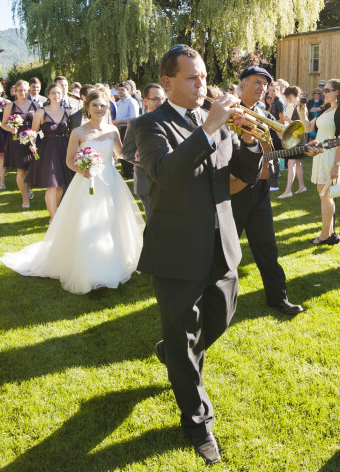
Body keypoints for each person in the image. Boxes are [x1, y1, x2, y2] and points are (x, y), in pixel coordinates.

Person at [134, 44, 263, 465]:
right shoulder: (149, 125)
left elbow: (239, 174)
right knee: (185, 338)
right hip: (175, 249)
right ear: (168, 82)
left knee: (220, 317)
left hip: (219, 243)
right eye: (193, 78)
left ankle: (174, 353)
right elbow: (168, 174)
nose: (202, 84)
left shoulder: (218, 122)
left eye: (204, 76)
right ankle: (198, 424)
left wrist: (247, 139)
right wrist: (209, 127)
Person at [1, 88, 145, 292]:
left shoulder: (112, 130)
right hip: (85, 182)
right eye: (95, 105)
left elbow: (120, 154)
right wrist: (82, 169)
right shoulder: (78, 132)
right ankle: (91, 270)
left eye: (103, 105)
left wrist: (138, 154)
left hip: (110, 181)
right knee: (88, 222)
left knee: (111, 221)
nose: (99, 109)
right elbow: (69, 161)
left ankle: (113, 259)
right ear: (87, 107)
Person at [229, 66, 310, 315]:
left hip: (260, 189)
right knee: (224, 252)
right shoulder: (229, 112)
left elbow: (277, 147)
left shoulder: (263, 113)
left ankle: (278, 298)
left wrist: (306, 150)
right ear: (243, 83)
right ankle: (214, 302)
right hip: (235, 191)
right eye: (256, 82)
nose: (261, 88)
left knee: (267, 248)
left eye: (264, 84)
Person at [306, 79, 340, 245]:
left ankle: (325, 235)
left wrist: (336, 166)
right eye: (323, 90)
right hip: (320, 154)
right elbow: (307, 128)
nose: (324, 93)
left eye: (327, 90)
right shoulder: (325, 109)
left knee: (326, 194)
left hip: (332, 156)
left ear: (337, 92)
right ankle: (330, 233)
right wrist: (300, 107)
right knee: (323, 194)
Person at [26, 83, 71, 221]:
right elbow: (33, 132)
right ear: (48, 95)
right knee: (51, 185)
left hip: (64, 148)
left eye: (59, 93)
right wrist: (31, 144)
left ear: (63, 94)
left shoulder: (67, 112)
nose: (56, 95)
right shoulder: (41, 112)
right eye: (53, 93)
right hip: (48, 150)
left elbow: (70, 133)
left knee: (60, 186)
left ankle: (54, 210)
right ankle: (53, 217)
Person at [121, 82, 166, 214]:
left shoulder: (170, 123)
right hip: (146, 184)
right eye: (156, 99)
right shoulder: (135, 124)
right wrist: (148, 160)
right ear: (145, 102)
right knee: (154, 226)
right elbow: (127, 153)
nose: (161, 102)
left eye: (163, 98)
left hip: (170, 183)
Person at [1, 80, 39, 209]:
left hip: (32, 139)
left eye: (24, 90)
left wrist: (34, 137)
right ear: (15, 92)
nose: (22, 93)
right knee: (21, 169)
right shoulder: (10, 106)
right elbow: (3, 124)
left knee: (31, 167)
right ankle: (25, 199)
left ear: (28, 90)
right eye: (19, 90)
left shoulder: (35, 105)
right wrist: (11, 129)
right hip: (17, 140)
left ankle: (27, 189)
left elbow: (39, 124)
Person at [277, 86, 309, 198]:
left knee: (291, 163)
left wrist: (287, 120)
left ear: (293, 95)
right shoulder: (294, 106)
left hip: (299, 137)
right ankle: (302, 187)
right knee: (297, 163)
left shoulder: (301, 106)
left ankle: (288, 191)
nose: (287, 99)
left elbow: (301, 123)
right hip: (297, 137)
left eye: (288, 97)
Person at [113, 82, 141, 179]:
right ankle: (125, 172)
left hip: (127, 129)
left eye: (122, 90)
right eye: (118, 90)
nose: (120, 92)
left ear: (128, 90)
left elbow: (134, 119)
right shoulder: (118, 103)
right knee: (120, 151)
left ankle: (130, 173)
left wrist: (119, 121)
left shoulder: (132, 102)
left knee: (128, 151)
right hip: (119, 129)